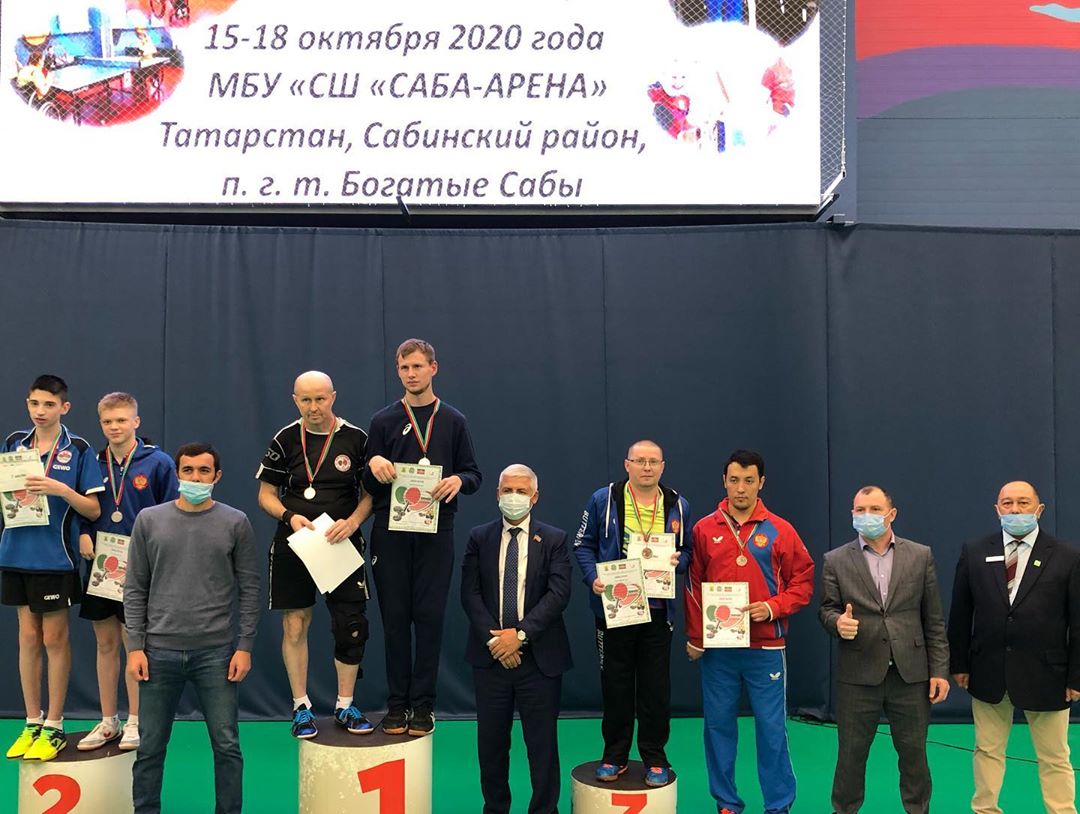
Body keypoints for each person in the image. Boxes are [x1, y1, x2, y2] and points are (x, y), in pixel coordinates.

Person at [125, 442, 260, 814]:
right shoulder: (149, 520)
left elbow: (250, 588)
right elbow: (134, 587)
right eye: (188, 470)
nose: (195, 478)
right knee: (150, 748)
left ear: (217, 476)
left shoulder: (236, 522)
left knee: (227, 746)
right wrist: (135, 646)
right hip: (157, 654)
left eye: (204, 471)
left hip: (217, 654)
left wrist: (244, 646)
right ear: (177, 474)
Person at [685, 449, 814, 814]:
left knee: (772, 730)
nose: (741, 488)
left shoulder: (780, 529)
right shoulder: (704, 529)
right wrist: (696, 636)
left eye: (748, 480)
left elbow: (803, 581)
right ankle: (727, 802)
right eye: (734, 480)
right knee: (718, 727)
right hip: (718, 648)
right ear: (724, 482)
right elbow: (693, 585)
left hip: (766, 649)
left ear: (761, 483)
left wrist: (773, 607)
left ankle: (778, 805)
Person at [364, 338, 482, 736]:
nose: (411, 374)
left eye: (417, 366)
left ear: (434, 368)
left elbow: (474, 474)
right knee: (395, 620)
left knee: (429, 620)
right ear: (397, 371)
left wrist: (458, 480)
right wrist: (373, 463)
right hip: (391, 530)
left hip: (436, 531)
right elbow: (366, 481)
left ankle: (424, 705)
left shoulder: (453, 420)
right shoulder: (382, 421)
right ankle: (397, 705)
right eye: (404, 368)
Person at [948, 481, 1080, 814]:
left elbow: (1078, 622)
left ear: (1040, 509)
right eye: (1007, 503)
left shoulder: (1067, 556)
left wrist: (1076, 676)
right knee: (987, 750)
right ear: (997, 510)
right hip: (988, 671)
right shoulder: (974, 552)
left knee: (1055, 756)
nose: (1015, 509)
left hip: (1049, 675)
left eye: (1023, 502)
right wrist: (959, 663)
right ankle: (985, 809)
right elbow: (961, 613)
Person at [256, 371, 374, 739]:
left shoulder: (356, 439)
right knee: (295, 624)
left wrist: (353, 522)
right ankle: (301, 706)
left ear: (333, 397)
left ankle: (345, 704)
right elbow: (265, 495)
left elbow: (370, 495)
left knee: (351, 625)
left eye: (320, 399)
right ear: (295, 401)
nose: (313, 407)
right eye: (305, 400)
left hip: (341, 542)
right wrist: (288, 516)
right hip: (296, 543)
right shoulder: (284, 439)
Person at [819, 485, 949, 814]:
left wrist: (939, 671)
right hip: (858, 675)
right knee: (850, 756)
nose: (867, 516)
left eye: (875, 509)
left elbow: (933, 619)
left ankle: (918, 809)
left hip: (911, 675)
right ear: (852, 514)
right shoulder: (835, 560)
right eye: (860, 510)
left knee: (914, 756)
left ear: (891, 514)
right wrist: (837, 623)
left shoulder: (920, 555)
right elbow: (827, 609)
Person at [573, 439, 691, 787]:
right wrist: (593, 577)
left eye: (653, 461)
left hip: (658, 610)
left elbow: (688, 551)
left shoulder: (678, 504)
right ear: (627, 465)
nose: (646, 467)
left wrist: (678, 561)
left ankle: (655, 756)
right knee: (616, 685)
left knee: (656, 689)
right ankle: (615, 755)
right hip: (616, 608)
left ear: (663, 466)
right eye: (640, 461)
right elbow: (583, 545)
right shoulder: (603, 499)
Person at [2, 375, 104, 761]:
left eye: (48, 404)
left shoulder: (78, 449)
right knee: (28, 638)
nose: (40, 411)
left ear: (65, 407)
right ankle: (32, 722)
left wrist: (59, 488)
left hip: (56, 558)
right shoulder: (14, 443)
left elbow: (92, 509)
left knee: (54, 639)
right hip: (15, 554)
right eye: (34, 403)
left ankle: (55, 726)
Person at [461, 464, 572, 814]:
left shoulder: (554, 539)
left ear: (534, 497)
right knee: (491, 746)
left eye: (521, 491)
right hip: (490, 658)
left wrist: (520, 636)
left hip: (539, 660)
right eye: (508, 490)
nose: (514, 497)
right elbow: (469, 594)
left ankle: (544, 810)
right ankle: (495, 808)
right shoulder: (479, 537)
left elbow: (558, 595)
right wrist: (498, 642)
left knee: (542, 746)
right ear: (497, 494)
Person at [76, 392, 178, 753]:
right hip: (102, 565)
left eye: (121, 420)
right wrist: (83, 533)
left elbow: (172, 513)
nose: (114, 427)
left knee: (134, 644)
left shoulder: (159, 462)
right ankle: (109, 720)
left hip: (142, 567)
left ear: (136, 421)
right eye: (107, 422)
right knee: (105, 643)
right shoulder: (92, 461)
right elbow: (84, 505)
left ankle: (136, 720)